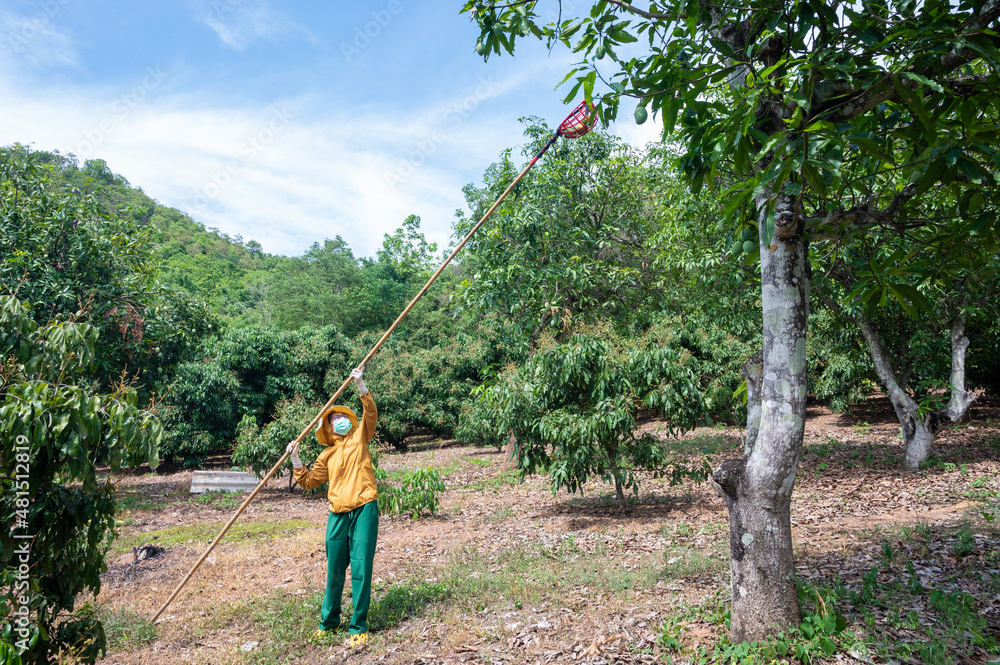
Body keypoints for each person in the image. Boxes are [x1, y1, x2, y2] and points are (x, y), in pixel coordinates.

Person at [286, 364, 378, 648]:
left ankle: (358, 625)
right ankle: (330, 622)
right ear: (327, 427)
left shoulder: (360, 437)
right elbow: (311, 481)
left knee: (361, 566)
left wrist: (361, 387)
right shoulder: (326, 455)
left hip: (364, 508)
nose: (339, 419)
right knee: (335, 569)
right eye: (333, 418)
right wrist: (296, 460)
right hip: (337, 514)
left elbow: (371, 416)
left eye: (341, 416)